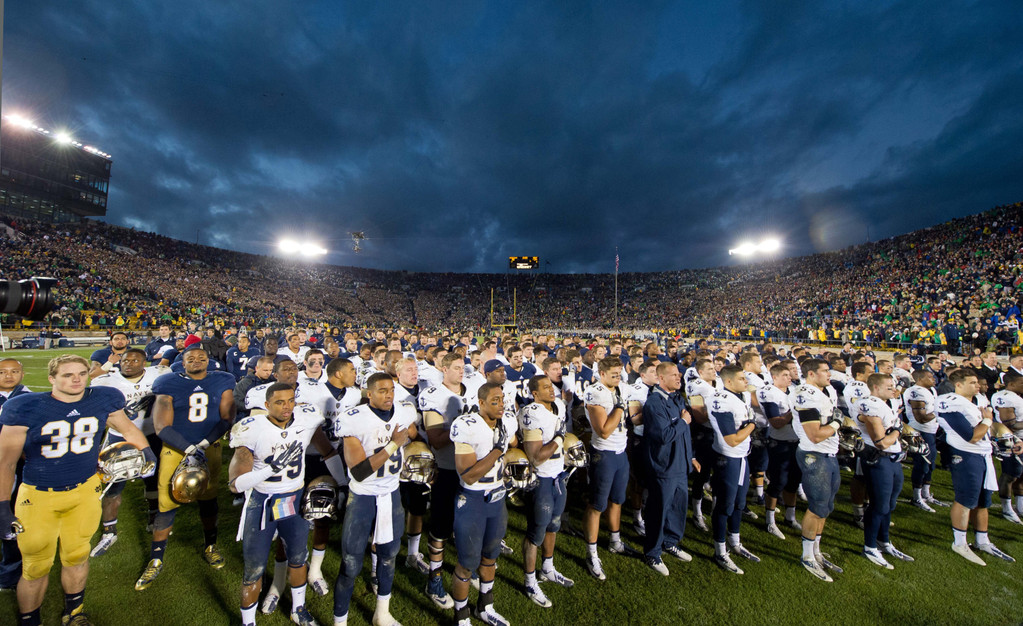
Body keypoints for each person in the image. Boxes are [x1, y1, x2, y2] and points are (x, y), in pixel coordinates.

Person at [0, 355, 156, 625]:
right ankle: (30, 620)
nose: (76, 380)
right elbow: (6, 462)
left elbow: (128, 429)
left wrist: (146, 452)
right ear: (52, 378)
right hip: (39, 495)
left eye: (82, 374)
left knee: (77, 556)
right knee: (35, 566)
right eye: (67, 375)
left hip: (85, 491)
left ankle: (74, 613)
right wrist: (3, 505)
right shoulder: (25, 407)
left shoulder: (102, 398)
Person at [228, 382, 342, 626]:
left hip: (294, 497)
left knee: (298, 557)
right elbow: (235, 484)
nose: (287, 406)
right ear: (267, 405)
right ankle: (248, 622)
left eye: (291, 400)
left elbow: (328, 452)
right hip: (263, 501)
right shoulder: (251, 428)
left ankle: (298, 609)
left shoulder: (306, 420)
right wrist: (270, 469)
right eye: (279, 402)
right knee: (254, 568)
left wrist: (342, 485)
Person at [135, 346, 237, 591]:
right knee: (167, 503)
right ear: (182, 362)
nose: (196, 361)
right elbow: (161, 426)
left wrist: (204, 443)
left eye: (202, 357)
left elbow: (227, 417)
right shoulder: (168, 382)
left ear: (208, 361)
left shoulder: (223, 379)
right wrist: (189, 448)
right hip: (176, 449)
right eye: (191, 358)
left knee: (209, 500)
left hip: (209, 446)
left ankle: (210, 546)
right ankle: (156, 558)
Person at [331, 373, 417, 626]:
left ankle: (382, 613)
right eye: (382, 390)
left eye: (391, 390)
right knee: (350, 563)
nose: (389, 395)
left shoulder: (404, 411)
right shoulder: (353, 419)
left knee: (389, 555)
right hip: (363, 496)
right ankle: (340, 621)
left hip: (391, 493)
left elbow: (413, 434)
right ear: (369, 394)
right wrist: (393, 445)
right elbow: (359, 471)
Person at [89, 349, 168, 556]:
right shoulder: (106, 381)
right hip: (119, 437)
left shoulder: (159, 373)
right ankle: (109, 530)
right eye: (125, 360)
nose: (129, 364)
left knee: (153, 480)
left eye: (135, 360)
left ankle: (153, 516)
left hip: (151, 434)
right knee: (113, 484)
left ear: (145, 362)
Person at [450, 382, 518, 626]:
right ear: (481, 403)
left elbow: (514, 445)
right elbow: (468, 475)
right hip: (473, 499)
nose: (500, 405)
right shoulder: (466, 425)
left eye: (502, 400)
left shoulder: (506, 421)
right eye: (494, 401)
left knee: (490, 557)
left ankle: (485, 607)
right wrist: (497, 451)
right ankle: (461, 616)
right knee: (467, 563)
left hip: (497, 498)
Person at [936, 368, 1015, 564]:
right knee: (966, 499)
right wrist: (987, 419)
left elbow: (989, 427)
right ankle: (959, 543)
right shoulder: (950, 402)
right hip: (965, 454)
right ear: (958, 385)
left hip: (983, 454)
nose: (977, 385)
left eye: (977, 382)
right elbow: (971, 436)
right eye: (972, 382)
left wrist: (1011, 438)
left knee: (983, 500)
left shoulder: (976, 401)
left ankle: (982, 540)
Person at [419, 352, 472, 608]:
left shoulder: (472, 390)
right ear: (444, 369)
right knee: (440, 528)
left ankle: (464, 569)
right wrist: (462, 426)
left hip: (471, 470)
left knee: (467, 526)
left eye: (463, 367)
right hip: (447, 468)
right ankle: (434, 577)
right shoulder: (434, 396)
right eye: (457, 367)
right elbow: (436, 440)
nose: (461, 371)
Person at [518, 375, 573, 607]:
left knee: (554, 524)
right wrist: (559, 438)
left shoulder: (559, 404)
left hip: (558, 475)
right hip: (541, 479)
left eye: (551, 386)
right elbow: (536, 457)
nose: (551, 390)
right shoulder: (532, 413)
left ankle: (547, 568)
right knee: (536, 532)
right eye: (545, 387)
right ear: (534, 393)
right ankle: (530, 581)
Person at [582, 357, 639, 581]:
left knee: (617, 500)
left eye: (619, 374)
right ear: (602, 374)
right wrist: (620, 406)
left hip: (620, 452)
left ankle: (615, 541)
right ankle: (591, 553)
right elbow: (604, 431)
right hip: (603, 454)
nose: (617, 378)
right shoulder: (595, 392)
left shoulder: (621, 388)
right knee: (597, 504)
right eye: (613, 374)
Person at [639, 362, 696, 576]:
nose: (678, 377)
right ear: (661, 378)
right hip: (664, 467)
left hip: (681, 464)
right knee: (659, 510)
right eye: (673, 375)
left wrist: (691, 456)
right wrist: (683, 421)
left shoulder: (677, 398)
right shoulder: (654, 403)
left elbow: (685, 434)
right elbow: (664, 436)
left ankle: (671, 542)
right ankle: (652, 552)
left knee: (678, 507)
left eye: (678, 374)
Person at [791, 358, 844, 582]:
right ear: (811, 374)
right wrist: (837, 423)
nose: (829, 374)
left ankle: (816, 550)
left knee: (826, 506)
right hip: (814, 454)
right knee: (817, 506)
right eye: (824, 371)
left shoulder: (824, 391)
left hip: (828, 454)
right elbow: (814, 435)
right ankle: (807, 556)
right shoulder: (805, 394)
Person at [853, 374, 914, 568]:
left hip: (893, 459)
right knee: (879, 505)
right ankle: (869, 546)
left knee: (889, 504)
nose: (893, 388)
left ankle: (883, 541)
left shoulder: (885, 403)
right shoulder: (869, 404)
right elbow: (881, 442)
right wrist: (897, 431)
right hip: (879, 458)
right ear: (876, 388)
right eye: (889, 386)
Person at [706, 364, 759, 575]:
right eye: (741, 379)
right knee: (725, 505)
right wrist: (752, 425)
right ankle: (720, 551)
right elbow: (732, 439)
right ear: (728, 381)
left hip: (741, 457)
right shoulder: (722, 400)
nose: (746, 382)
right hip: (727, 458)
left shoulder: (739, 396)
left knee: (739, 502)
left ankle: (735, 542)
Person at [758, 361, 802, 539]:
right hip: (780, 442)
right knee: (778, 481)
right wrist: (795, 411)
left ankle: (790, 517)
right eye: (785, 375)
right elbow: (776, 422)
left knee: (794, 481)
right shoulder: (770, 392)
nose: (789, 377)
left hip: (797, 441)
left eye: (790, 375)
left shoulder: (794, 391)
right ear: (774, 377)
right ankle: (770, 521)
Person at [0, 358, 30, 590]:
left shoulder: (30, 398)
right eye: (2, 372)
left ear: (22, 374)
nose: (8, 376)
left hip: (16, 466)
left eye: (14, 371)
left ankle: (10, 572)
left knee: (11, 516)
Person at [903, 369, 946, 511]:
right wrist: (938, 412)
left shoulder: (931, 390)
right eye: (929, 377)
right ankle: (916, 497)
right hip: (920, 431)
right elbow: (921, 418)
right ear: (920, 379)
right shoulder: (915, 392)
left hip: (931, 431)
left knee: (930, 464)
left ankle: (926, 494)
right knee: (922, 464)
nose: (934, 379)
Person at [684, 359, 718, 532]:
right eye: (709, 369)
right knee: (702, 473)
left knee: (717, 473)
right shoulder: (698, 386)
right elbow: (700, 416)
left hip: (718, 433)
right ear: (701, 372)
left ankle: (715, 511)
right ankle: (697, 513)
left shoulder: (717, 383)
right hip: (705, 434)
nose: (714, 370)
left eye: (714, 367)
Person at [992, 370, 1023, 523]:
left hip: (1020, 439)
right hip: (1011, 440)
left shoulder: (1015, 396)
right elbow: (1009, 424)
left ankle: (1021, 506)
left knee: (1021, 474)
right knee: (1010, 474)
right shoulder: (1005, 397)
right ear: (1011, 384)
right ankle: (1007, 509)